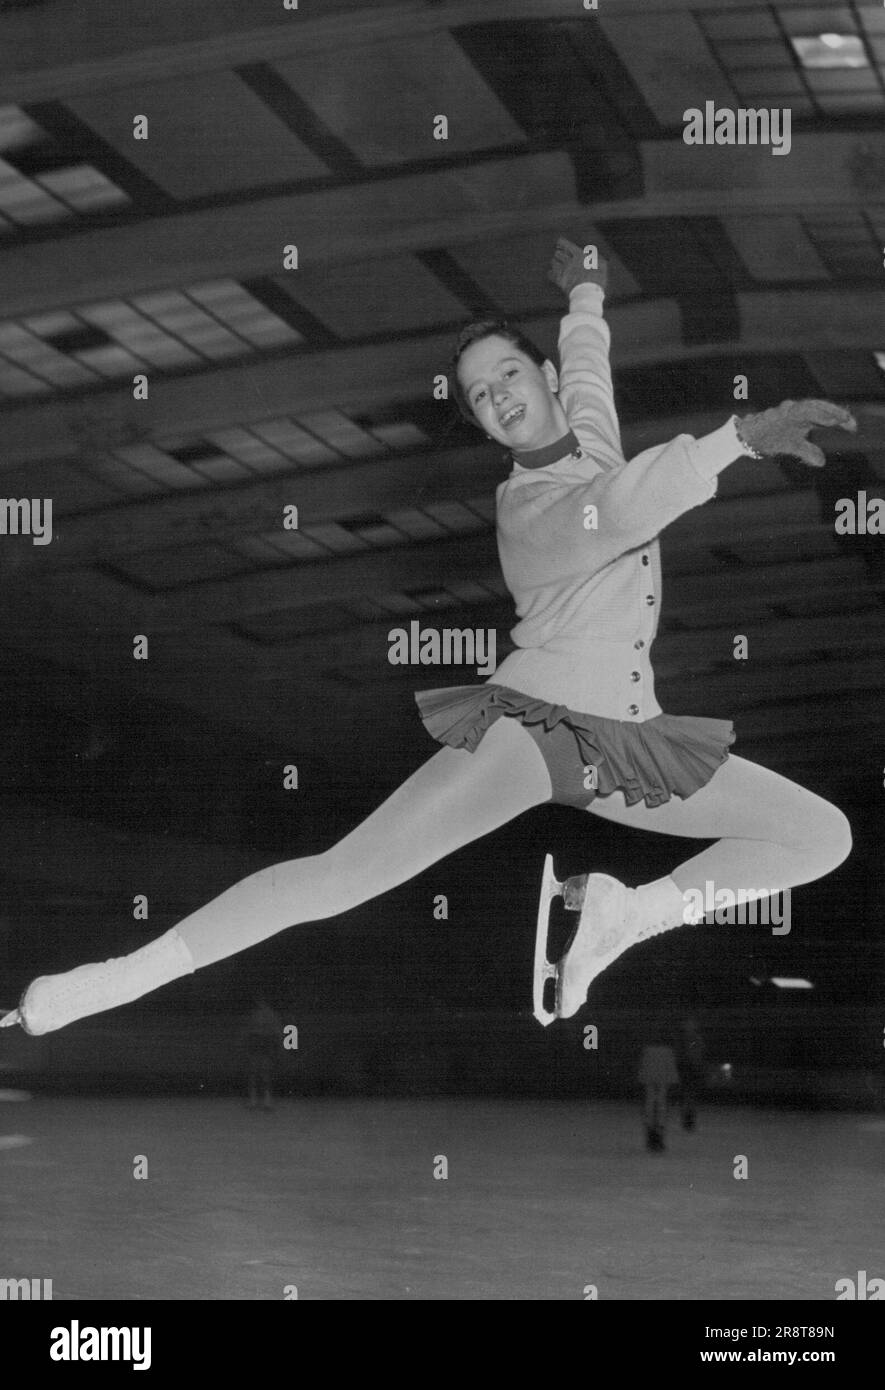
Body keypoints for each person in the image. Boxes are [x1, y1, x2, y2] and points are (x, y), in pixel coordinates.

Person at [2, 238, 856, 1039]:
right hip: (536, 730)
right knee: (344, 877)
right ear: (479, 424)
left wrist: (585, 291)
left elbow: (591, 375)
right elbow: (622, 508)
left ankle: (625, 914)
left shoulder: (589, 434)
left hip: (629, 743)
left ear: (543, 376)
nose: (500, 398)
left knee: (818, 838)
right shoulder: (527, 510)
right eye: (482, 397)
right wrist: (736, 440)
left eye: (510, 374)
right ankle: (112, 979)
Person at [638, 1037, 681, 1152]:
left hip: (651, 1078)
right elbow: (670, 1066)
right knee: (660, 1106)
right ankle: (657, 1135)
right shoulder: (667, 1050)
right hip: (662, 1078)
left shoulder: (648, 1050)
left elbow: (643, 1065)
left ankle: (652, 1135)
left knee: (651, 1105)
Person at [241, 994, 282, 1111]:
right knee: (254, 1071)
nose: (260, 1003)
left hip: (265, 1042)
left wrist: (280, 1043)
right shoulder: (254, 1014)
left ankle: (266, 1100)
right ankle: (254, 1099)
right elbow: (248, 1029)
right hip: (256, 1042)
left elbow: (277, 1029)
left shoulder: (271, 1014)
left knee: (264, 1071)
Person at [675, 1016, 706, 1132]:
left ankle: (688, 1121)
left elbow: (698, 1053)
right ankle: (688, 1122)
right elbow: (696, 1053)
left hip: (690, 1069)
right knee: (688, 1097)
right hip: (688, 1069)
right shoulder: (688, 1040)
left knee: (689, 1097)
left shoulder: (691, 1039)